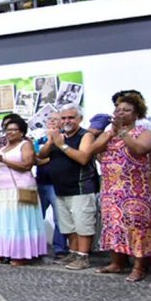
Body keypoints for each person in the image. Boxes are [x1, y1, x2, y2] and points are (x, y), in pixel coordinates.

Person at [91, 92, 151, 282]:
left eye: (126, 110)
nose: (120, 113)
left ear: (137, 114)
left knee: (137, 228)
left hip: (135, 191)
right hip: (111, 190)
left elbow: (140, 149)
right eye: (118, 110)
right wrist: (110, 133)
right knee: (113, 225)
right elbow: (92, 150)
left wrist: (123, 133)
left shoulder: (144, 132)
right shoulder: (109, 133)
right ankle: (117, 262)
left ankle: (138, 266)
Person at [37, 104, 99, 270]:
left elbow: (83, 158)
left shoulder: (86, 136)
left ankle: (83, 256)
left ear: (79, 119)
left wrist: (62, 145)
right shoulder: (60, 136)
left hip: (80, 189)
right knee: (68, 226)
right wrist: (52, 141)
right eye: (63, 118)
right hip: (60, 189)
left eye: (71, 117)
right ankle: (73, 252)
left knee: (82, 225)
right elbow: (41, 155)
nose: (66, 121)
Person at [0, 117, 47, 266]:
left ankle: (21, 254)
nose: (10, 133)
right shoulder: (1, 148)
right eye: (7, 130)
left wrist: (4, 160)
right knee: (3, 222)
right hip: (3, 190)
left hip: (22, 189)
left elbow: (27, 165)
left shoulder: (25, 144)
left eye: (14, 130)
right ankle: (1, 252)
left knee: (20, 221)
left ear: (21, 132)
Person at [34, 112, 69, 258]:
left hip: (57, 184)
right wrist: (51, 157)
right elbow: (36, 159)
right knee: (35, 217)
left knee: (59, 219)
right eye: (50, 119)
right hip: (40, 182)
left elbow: (64, 157)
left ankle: (60, 248)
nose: (52, 122)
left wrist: (46, 157)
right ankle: (35, 247)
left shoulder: (65, 138)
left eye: (56, 119)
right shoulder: (40, 138)